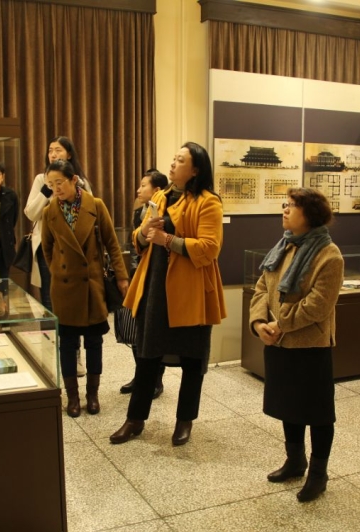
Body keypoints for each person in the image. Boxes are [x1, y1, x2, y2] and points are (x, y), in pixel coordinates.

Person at [110, 142, 227, 447]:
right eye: (173, 159)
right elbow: (140, 239)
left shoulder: (209, 202)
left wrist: (167, 240)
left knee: (191, 358)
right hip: (156, 286)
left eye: (180, 160)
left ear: (196, 169)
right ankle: (135, 419)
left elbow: (209, 248)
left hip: (192, 291)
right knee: (147, 355)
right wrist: (144, 233)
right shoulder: (161, 196)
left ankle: (184, 421)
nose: (173, 164)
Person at [248, 188, 344, 503]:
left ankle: (318, 473)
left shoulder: (329, 255)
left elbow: (318, 305)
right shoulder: (284, 246)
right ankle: (295, 460)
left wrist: (281, 324)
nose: (285, 210)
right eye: (285, 204)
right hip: (277, 341)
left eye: (292, 206)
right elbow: (262, 287)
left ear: (310, 214)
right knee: (287, 405)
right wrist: (259, 323)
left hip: (309, 345)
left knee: (317, 412)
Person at [41, 159, 128, 418]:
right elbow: (47, 248)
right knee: (67, 344)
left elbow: (112, 244)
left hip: (92, 285)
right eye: (51, 184)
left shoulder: (96, 205)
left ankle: (92, 395)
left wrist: (122, 277)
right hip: (64, 287)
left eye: (59, 182)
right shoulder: (49, 211)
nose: (56, 189)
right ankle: (72, 396)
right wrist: (58, 271)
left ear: (73, 179)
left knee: (94, 342)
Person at [25, 136, 93, 376]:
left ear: (69, 154)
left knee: (74, 305)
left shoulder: (80, 181)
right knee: (49, 303)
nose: (53, 154)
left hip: (74, 251)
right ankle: (51, 355)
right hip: (48, 249)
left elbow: (91, 213)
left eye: (58, 150)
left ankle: (75, 356)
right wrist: (47, 190)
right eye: (50, 150)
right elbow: (31, 213)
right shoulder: (40, 180)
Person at [118, 168, 169, 398]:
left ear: (156, 189)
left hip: (156, 278)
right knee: (136, 330)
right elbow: (135, 244)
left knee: (154, 332)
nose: (138, 190)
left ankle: (156, 380)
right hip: (138, 275)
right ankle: (140, 377)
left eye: (143, 185)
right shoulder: (140, 211)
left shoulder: (166, 213)